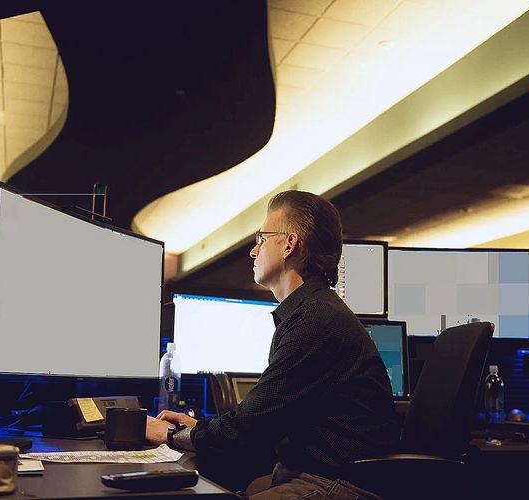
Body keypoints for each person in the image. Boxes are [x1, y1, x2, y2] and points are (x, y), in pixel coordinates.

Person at [145, 191, 399, 499]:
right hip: (312, 471)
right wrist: (197, 429)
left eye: (262, 238)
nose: (253, 251)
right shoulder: (311, 311)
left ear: (289, 245)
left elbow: (251, 426)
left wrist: (171, 435)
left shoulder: (316, 320)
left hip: (339, 483)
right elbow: (266, 422)